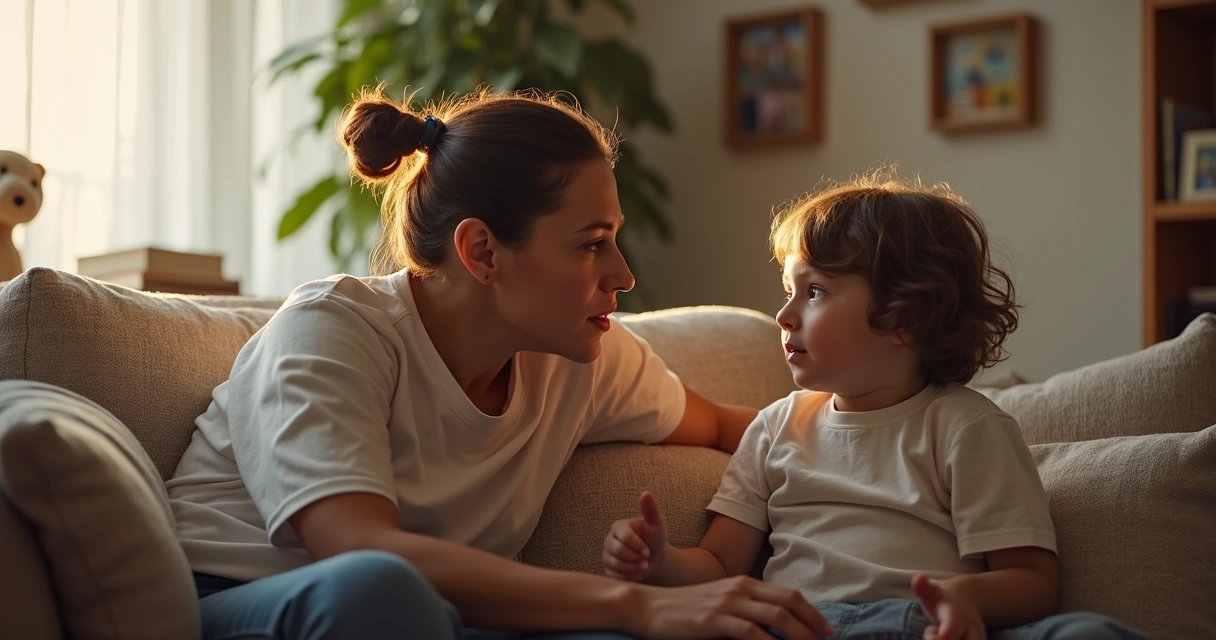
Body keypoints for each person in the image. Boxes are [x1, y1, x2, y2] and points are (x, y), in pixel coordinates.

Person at [164, 87, 837, 640]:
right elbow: (358, 548)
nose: (623, 275)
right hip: (241, 602)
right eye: (591, 244)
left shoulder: (581, 356)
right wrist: (636, 605)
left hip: (435, 619)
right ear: (482, 251)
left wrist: (901, 441)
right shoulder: (334, 329)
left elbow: (739, 430)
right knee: (379, 589)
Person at [601, 174, 1150, 640]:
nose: (784, 315)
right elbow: (721, 564)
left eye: (813, 291)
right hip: (793, 627)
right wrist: (659, 563)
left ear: (902, 317)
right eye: (788, 291)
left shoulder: (966, 426)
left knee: (1086, 632)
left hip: (917, 623)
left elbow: (1030, 580)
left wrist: (965, 601)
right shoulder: (775, 427)